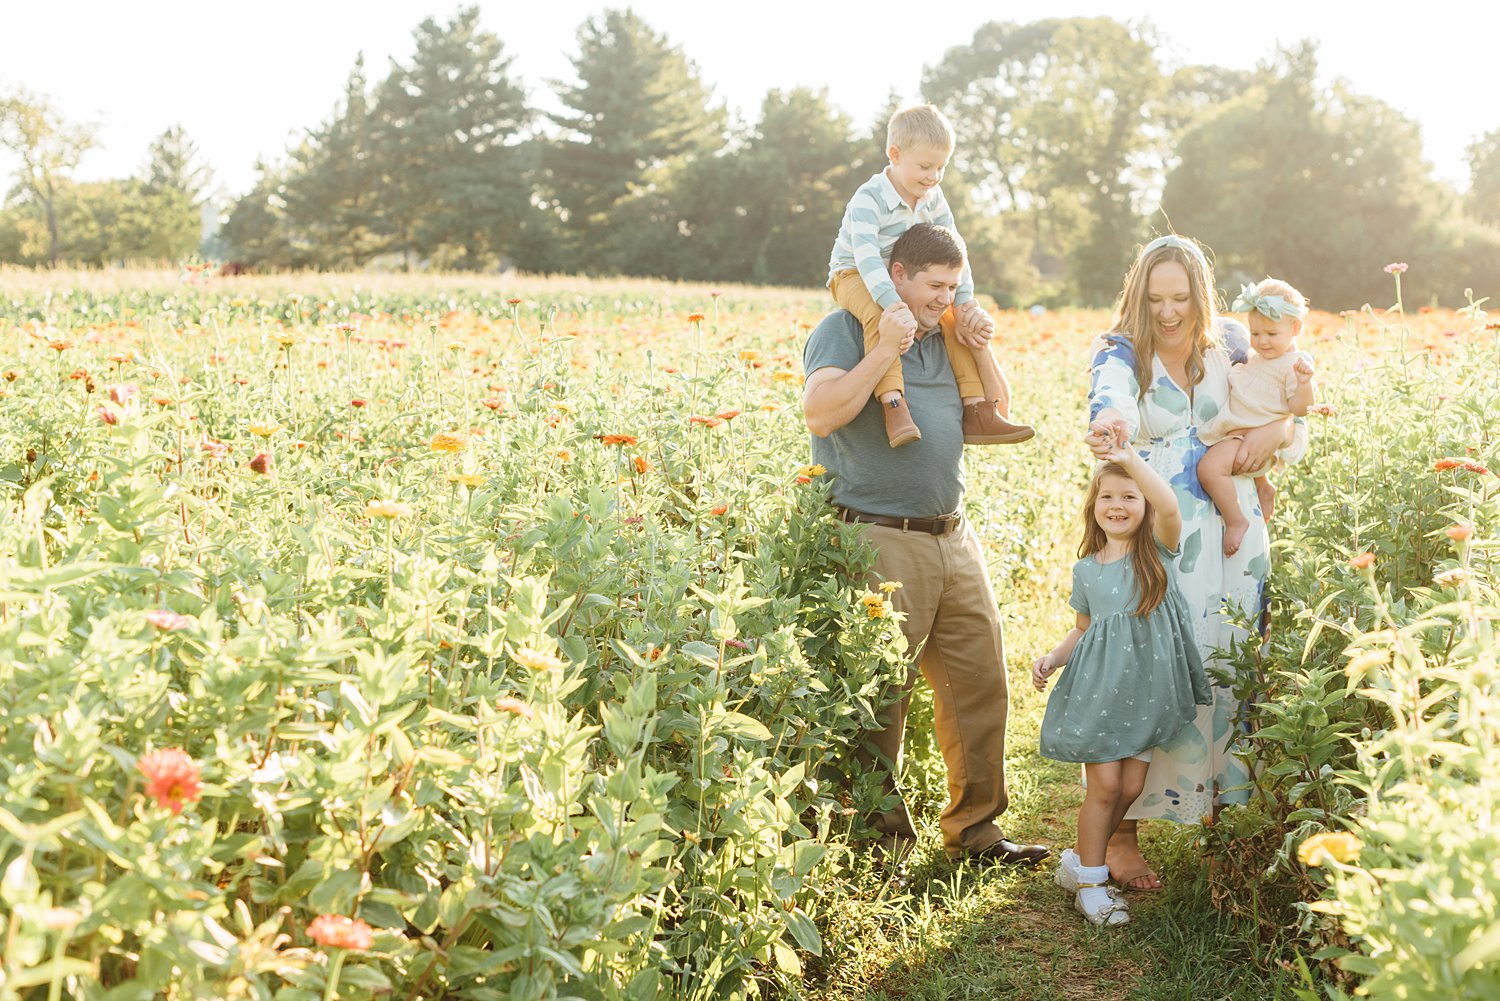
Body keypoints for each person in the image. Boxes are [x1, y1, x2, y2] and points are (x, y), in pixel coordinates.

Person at [803, 222, 1048, 866]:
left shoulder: (946, 337)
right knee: (881, 693)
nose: (944, 297)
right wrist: (885, 348)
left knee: (980, 683)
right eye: (934, 286)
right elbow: (821, 413)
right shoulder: (842, 329)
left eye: (954, 286)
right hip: (877, 534)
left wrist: (978, 340)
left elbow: (996, 409)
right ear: (898, 276)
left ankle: (977, 831)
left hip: (952, 532)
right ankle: (878, 844)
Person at [1084, 234, 1307, 891]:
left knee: (1229, 653)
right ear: (1138, 295)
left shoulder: (1234, 343)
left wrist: (1273, 435)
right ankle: (1121, 832)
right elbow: (1111, 405)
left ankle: (1217, 812)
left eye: (1181, 297)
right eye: (1156, 298)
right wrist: (1109, 428)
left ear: (1201, 294)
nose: (1170, 311)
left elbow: (1289, 408)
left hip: (1234, 528)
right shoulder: (1119, 349)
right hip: (1157, 527)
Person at [1031, 442, 1213, 925]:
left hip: (1149, 691)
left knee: (1130, 785)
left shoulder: (1157, 551)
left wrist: (1129, 457)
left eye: (1130, 497)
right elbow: (1083, 628)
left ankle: (1077, 860)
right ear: (1093, 507)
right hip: (1101, 688)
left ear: (1145, 506)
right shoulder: (1087, 569)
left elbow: (1170, 505)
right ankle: (1091, 884)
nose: (1117, 505)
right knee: (1106, 787)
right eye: (1107, 496)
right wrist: (1052, 658)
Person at [826, 103, 1033, 449]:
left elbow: (955, 251)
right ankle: (893, 404)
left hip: (897, 276)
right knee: (883, 317)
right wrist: (895, 304)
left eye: (941, 168)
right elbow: (866, 258)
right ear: (895, 154)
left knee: (952, 317)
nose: (933, 176)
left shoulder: (933, 198)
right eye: (925, 166)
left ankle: (977, 410)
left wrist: (964, 303)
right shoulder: (869, 198)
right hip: (853, 274)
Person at [1197, 279, 1317, 557]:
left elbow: (1299, 410)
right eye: (1255, 333)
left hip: (1248, 434)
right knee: (1224, 464)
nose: (1262, 341)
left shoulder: (1295, 365)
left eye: (1271, 333)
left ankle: (1235, 519)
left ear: (1295, 328)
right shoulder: (1261, 356)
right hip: (1243, 427)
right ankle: (1264, 487)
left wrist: (1304, 384)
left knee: (1209, 470)